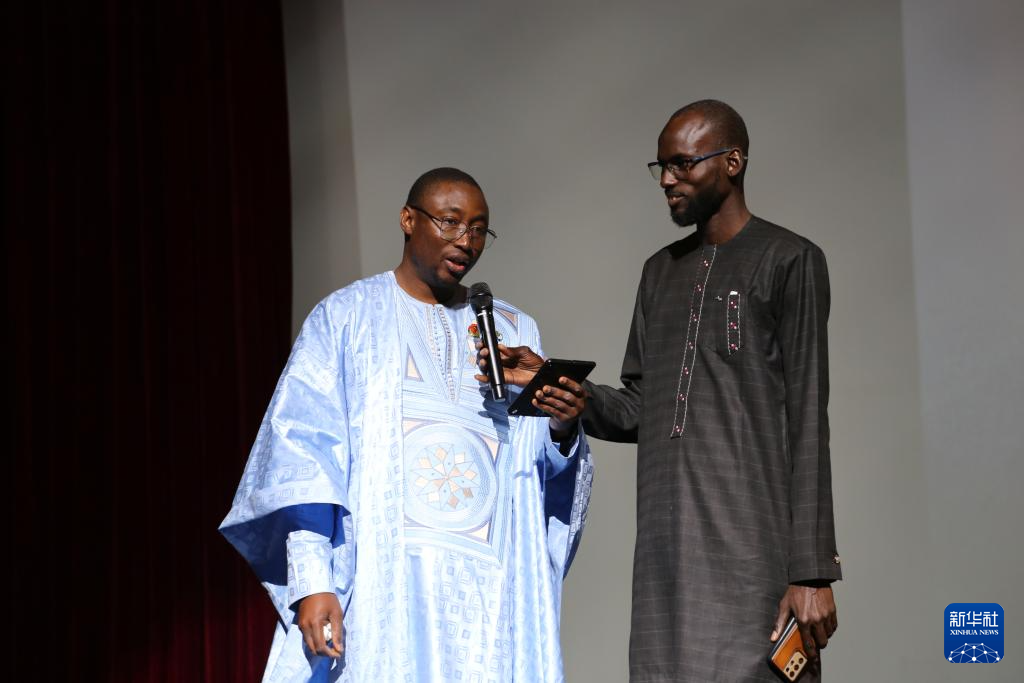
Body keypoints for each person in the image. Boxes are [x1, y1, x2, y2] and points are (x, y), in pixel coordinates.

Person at [483, 100, 841, 681]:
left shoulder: (789, 260)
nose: (668, 180)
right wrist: (555, 380)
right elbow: (640, 408)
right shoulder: (660, 272)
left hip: (754, 549)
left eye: (682, 164)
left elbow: (807, 420)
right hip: (666, 557)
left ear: (732, 161)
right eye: (661, 167)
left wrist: (812, 571)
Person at [220, 167, 592, 682]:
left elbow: (536, 478)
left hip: (491, 597)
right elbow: (302, 458)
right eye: (450, 222)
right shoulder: (347, 316)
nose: (466, 241)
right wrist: (312, 581)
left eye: (479, 229)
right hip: (386, 587)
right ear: (408, 219)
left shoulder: (513, 330)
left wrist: (563, 429)